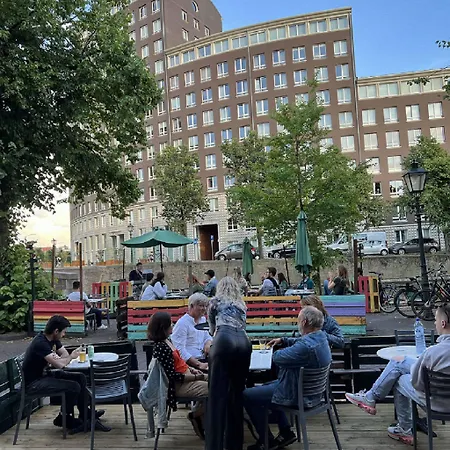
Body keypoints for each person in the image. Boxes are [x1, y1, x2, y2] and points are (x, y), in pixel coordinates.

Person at [345, 304, 450, 445]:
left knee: (400, 378)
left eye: (435, 320)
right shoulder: (432, 353)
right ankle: (371, 397)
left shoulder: (432, 353)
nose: (435, 323)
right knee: (400, 361)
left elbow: (417, 384)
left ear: (443, 323)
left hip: (436, 403)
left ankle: (404, 428)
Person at [243, 306, 332, 450]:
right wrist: (283, 340)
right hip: (314, 394)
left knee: (248, 395)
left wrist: (279, 349)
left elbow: (278, 358)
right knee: (267, 387)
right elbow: (301, 342)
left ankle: (266, 441)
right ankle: (285, 432)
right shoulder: (322, 338)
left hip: (298, 396)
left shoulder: (305, 347)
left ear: (304, 322)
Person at [22, 315, 108, 431]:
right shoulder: (40, 343)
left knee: (80, 377)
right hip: (33, 383)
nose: (64, 334)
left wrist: (62, 358)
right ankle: (64, 418)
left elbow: (64, 355)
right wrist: (70, 357)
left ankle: (86, 414)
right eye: (63, 332)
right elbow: (60, 365)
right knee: (73, 386)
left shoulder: (53, 339)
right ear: (56, 331)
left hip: (45, 375)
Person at [206, 277, 252, 450]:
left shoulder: (214, 302)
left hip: (224, 339)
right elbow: (243, 325)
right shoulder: (241, 304)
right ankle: (234, 444)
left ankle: (214, 445)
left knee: (217, 396)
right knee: (236, 394)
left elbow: (212, 329)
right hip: (244, 342)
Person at [148, 311, 208, 439]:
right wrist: (197, 377)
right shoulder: (161, 348)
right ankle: (196, 415)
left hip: (187, 376)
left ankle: (201, 415)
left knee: (219, 381)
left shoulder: (167, 341)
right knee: (218, 389)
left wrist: (192, 369)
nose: (173, 325)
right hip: (178, 385)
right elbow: (172, 376)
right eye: (170, 324)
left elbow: (179, 362)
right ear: (163, 327)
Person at [171, 293, 212, 371]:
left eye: (205, 306)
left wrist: (208, 342)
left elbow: (207, 335)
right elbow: (179, 350)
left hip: (204, 359)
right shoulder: (182, 324)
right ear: (191, 306)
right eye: (201, 306)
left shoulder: (203, 320)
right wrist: (199, 364)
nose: (204, 309)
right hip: (189, 364)